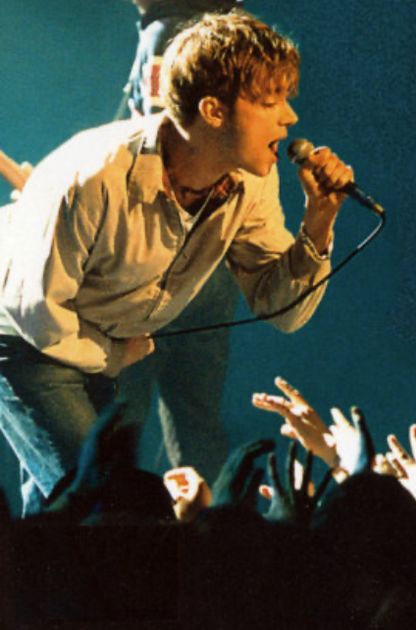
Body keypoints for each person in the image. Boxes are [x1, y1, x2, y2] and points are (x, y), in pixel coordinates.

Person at [0, 11, 354, 515]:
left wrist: (318, 222)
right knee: (103, 506)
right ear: (212, 110)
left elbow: (285, 311)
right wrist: (113, 355)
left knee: (61, 519)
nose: (290, 118)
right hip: (23, 336)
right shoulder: (94, 176)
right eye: (270, 101)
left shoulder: (250, 181)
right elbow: (39, 316)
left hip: (100, 339)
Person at [117, 0, 245, 486]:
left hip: (151, 270)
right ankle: (204, 544)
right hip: (209, 264)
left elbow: (156, 148)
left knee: (118, 425)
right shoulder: (220, 29)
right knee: (196, 429)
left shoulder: (168, 35)